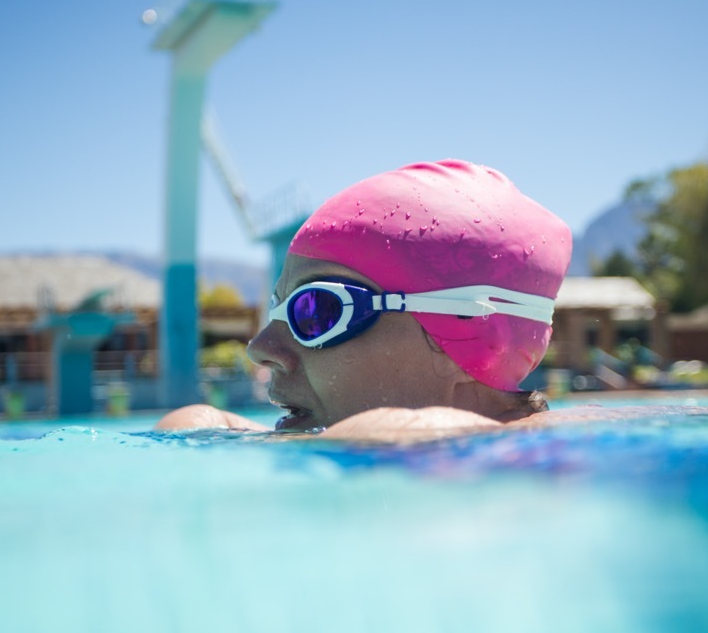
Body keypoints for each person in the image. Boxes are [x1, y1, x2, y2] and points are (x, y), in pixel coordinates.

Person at [157, 159, 574, 438]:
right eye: (277, 308)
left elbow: (391, 433)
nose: (261, 349)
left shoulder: (549, 446)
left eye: (317, 311)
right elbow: (193, 422)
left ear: (475, 336)